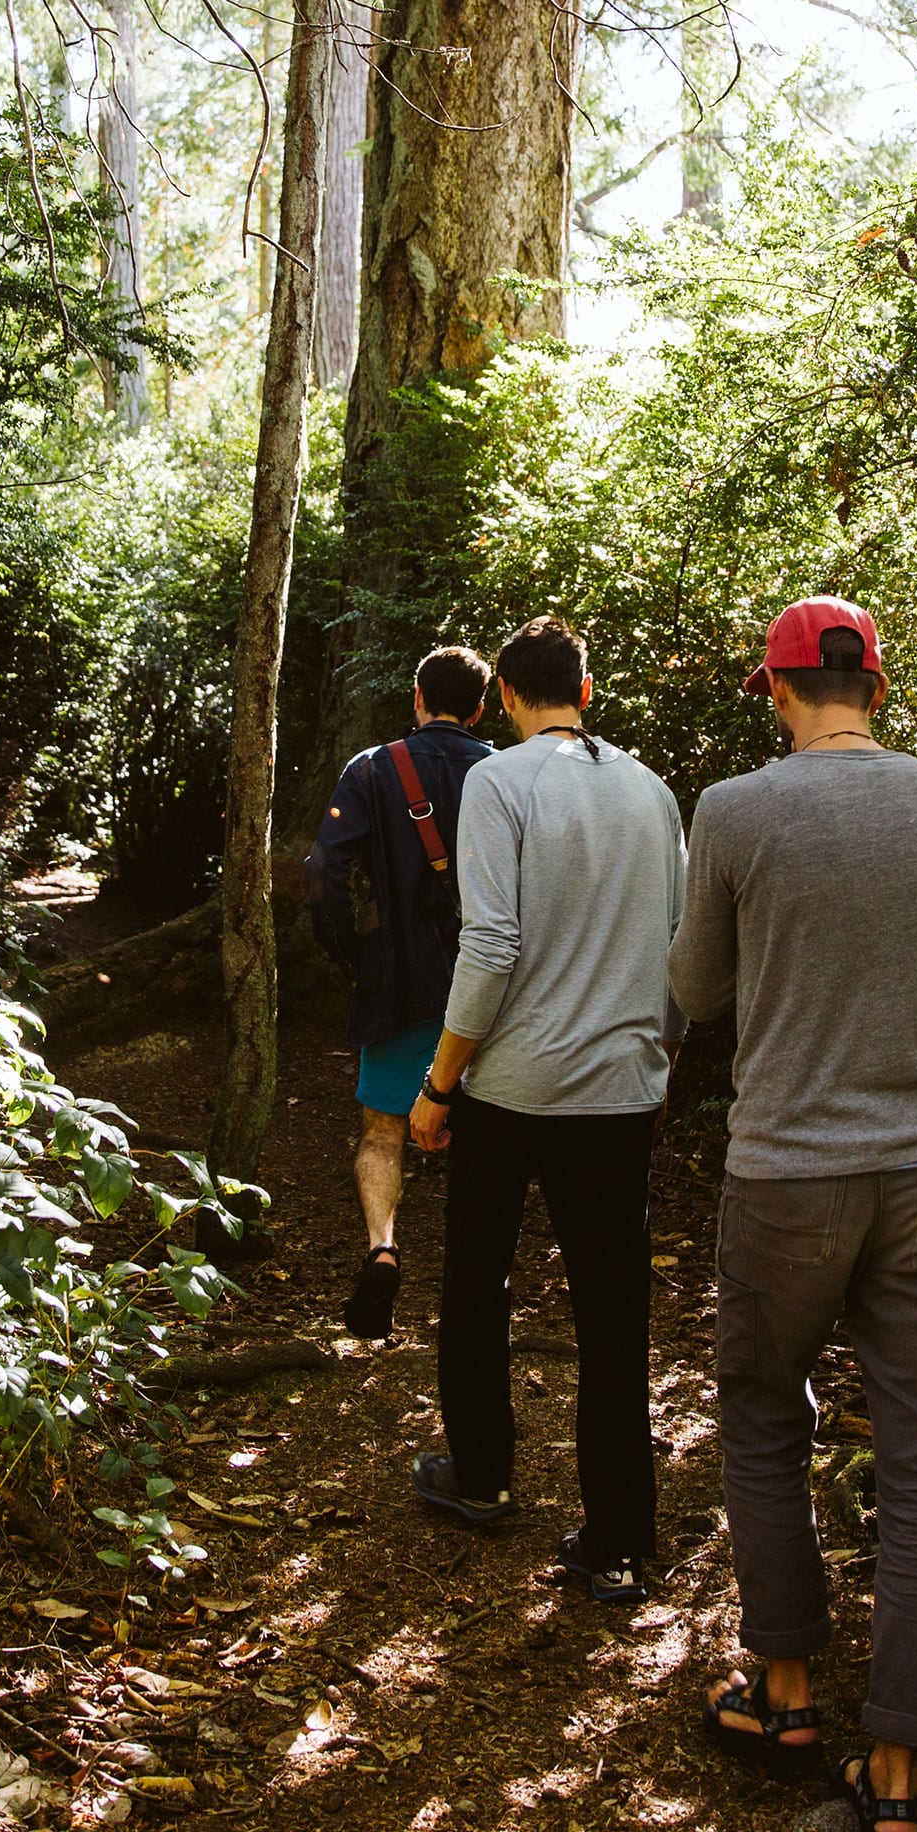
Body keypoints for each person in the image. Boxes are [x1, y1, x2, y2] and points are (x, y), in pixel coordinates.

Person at [666, 598, 917, 1832]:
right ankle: (897, 1765)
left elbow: (695, 993)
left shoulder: (734, 810)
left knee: (765, 1418)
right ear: (875, 686)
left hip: (783, 1181)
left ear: (775, 690)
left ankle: (784, 1696)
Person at [405, 616, 688, 1609]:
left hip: (511, 1089)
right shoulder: (650, 792)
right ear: (586, 686)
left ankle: (479, 1476)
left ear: (510, 699)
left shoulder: (497, 781)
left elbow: (489, 946)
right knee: (612, 1311)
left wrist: (439, 1082)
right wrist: (657, 1053)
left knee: (476, 1280)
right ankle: (616, 1537)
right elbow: (678, 949)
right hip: (616, 1089)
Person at [305, 645, 495, 1337]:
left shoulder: (374, 767)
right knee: (482, 1134)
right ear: (481, 705)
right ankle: (471, 1281)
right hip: (489, 983)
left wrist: (352, 954)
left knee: (382, 1131)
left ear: (417, 698)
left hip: (398, 978)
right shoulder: (503, 771)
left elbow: (325, 866)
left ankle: (382, 1247)